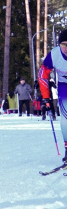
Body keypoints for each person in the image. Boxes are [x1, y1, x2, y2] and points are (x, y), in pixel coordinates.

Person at [39, 30, 67, 160]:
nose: (66, 48)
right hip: (64, 86)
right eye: (63, 44)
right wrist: (45, 97)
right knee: (65, 119)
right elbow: (42, 75)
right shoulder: (54, 54)